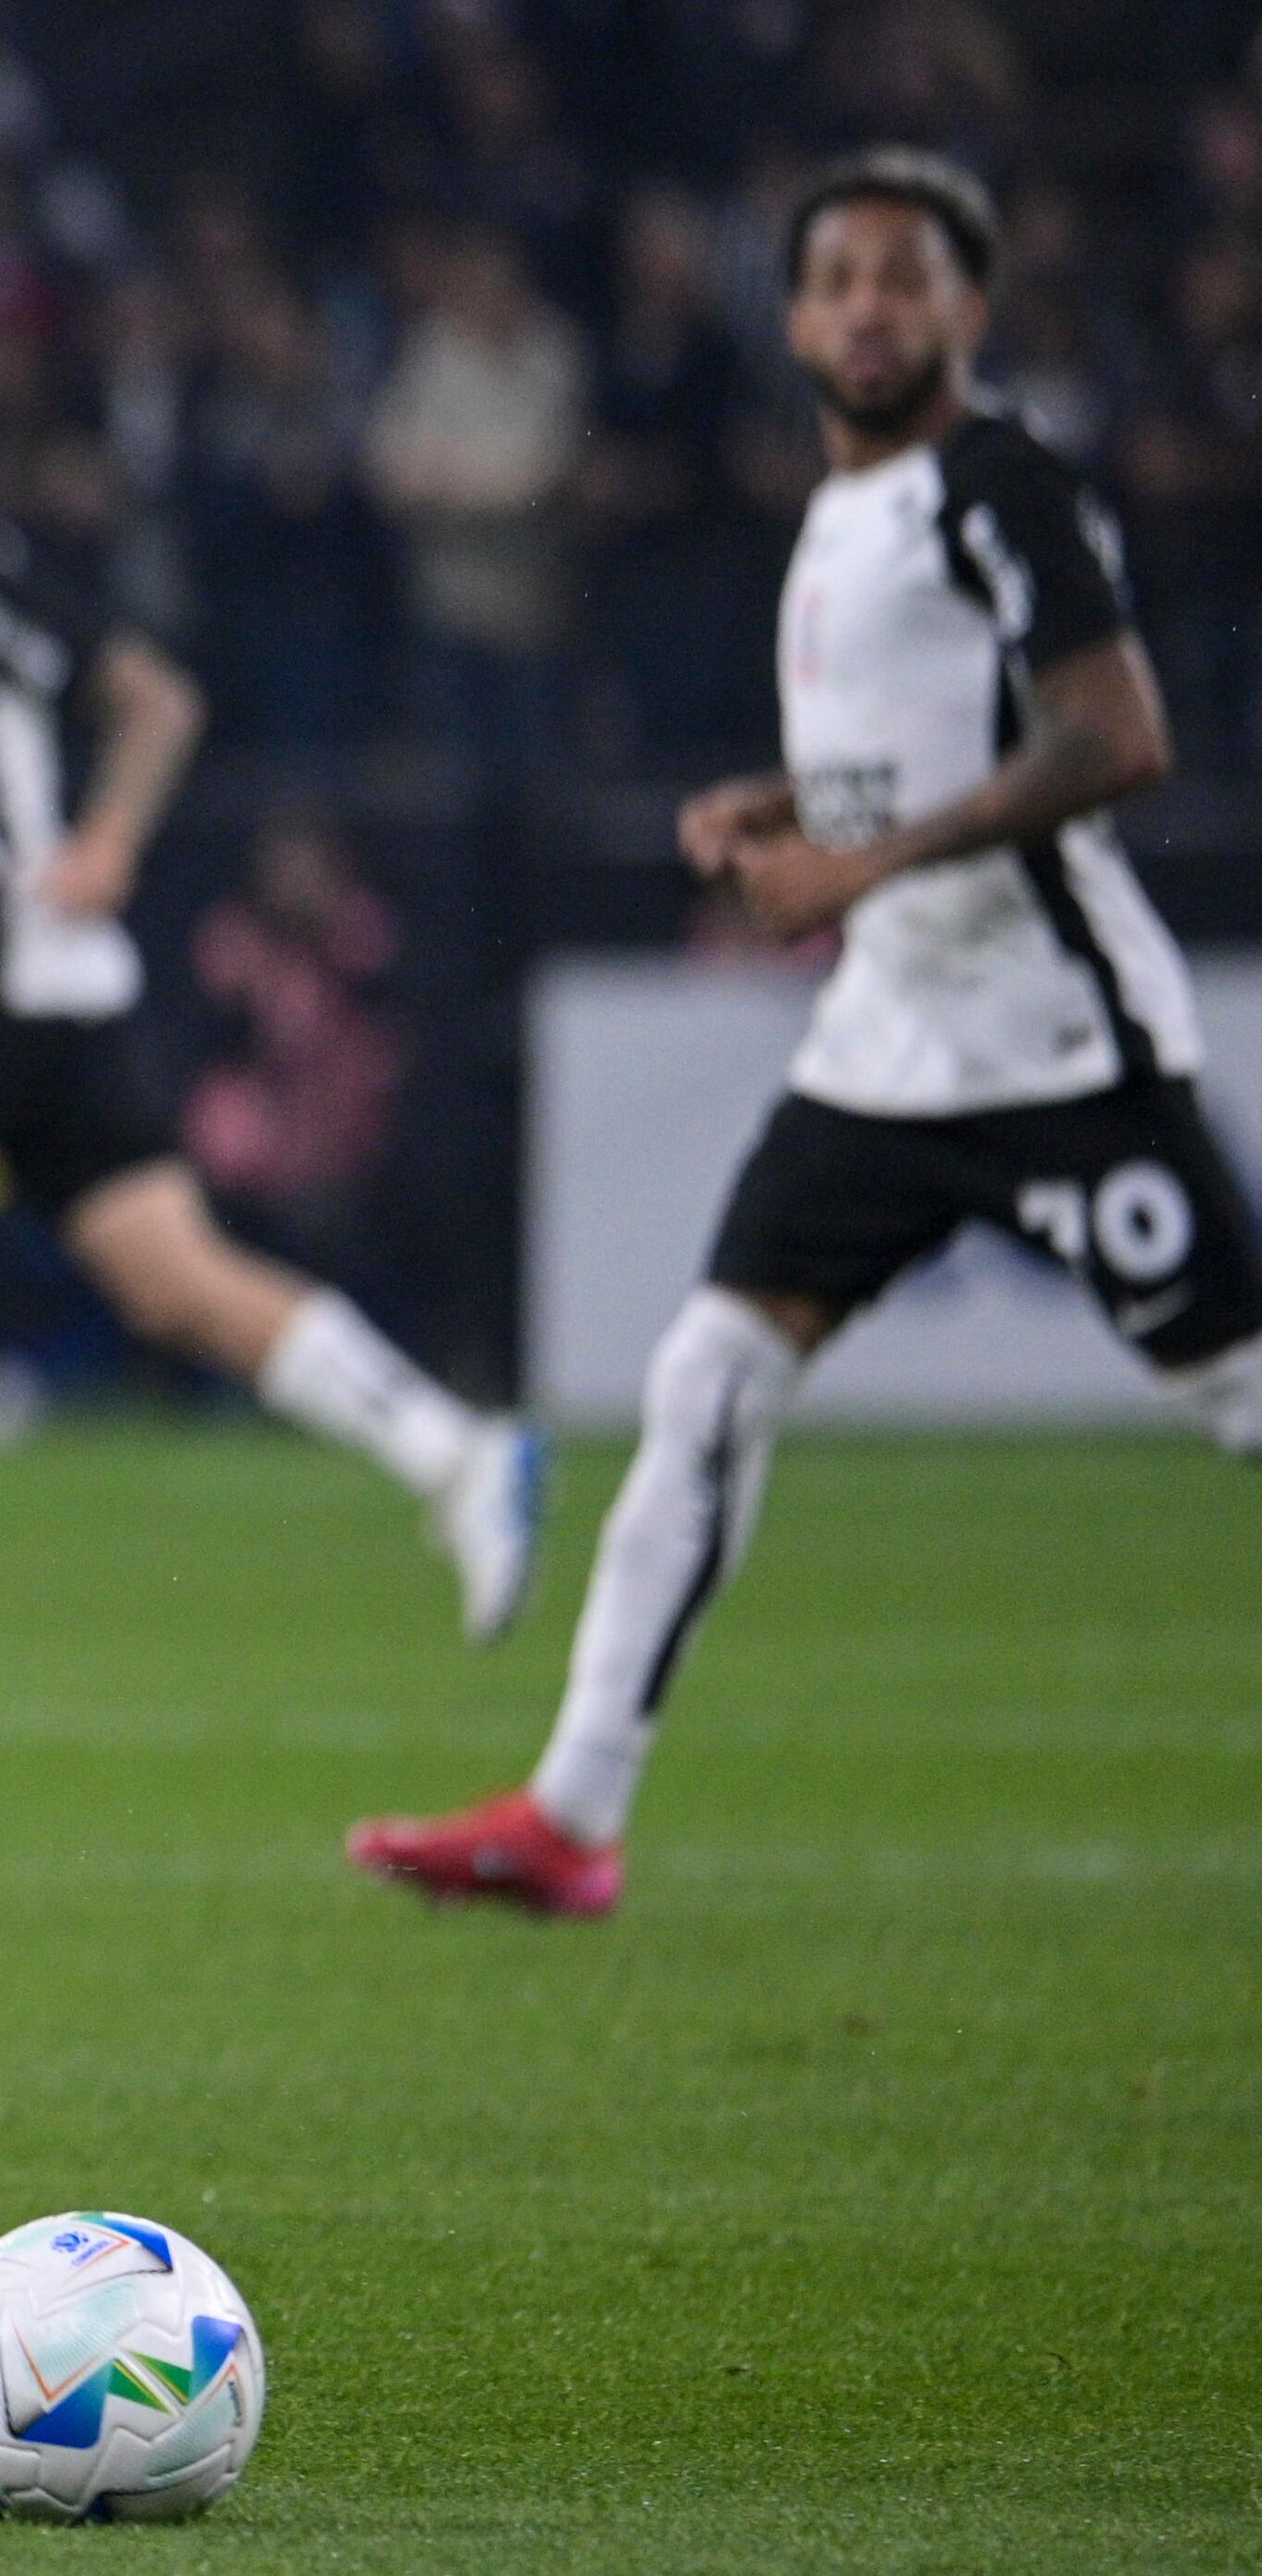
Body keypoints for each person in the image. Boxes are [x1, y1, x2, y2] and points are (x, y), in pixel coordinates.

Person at [351, 150, 1262, 1920]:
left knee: (1236, 1389)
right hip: (888, 1046)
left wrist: (854, 863)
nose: (868, 308)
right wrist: (783, 802)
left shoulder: (1001, 483)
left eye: (904, 279)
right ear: (791, 318)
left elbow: (1117, 733)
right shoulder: (847, 507)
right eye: (837, 279)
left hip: (1058, 1042)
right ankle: (570, 1816)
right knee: (708, 1376)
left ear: (968, 309)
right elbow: (929, 737)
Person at [0, 336, 543, 1685]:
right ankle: (456, 1453)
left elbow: (155, 701)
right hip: (40, 992)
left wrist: (111, 843)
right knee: (174, 1280)